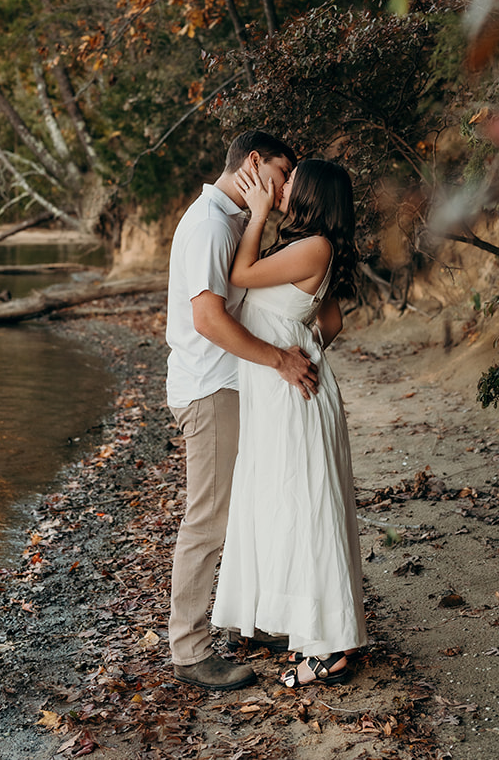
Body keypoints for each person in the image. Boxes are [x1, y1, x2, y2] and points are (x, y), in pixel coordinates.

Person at [165, 131, 319, 691]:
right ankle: (188, 649)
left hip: (232, 385)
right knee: (207, 518)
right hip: (209, 390)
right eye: (282, 173)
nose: (284, 190)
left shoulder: (233, 219)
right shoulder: (209, 223)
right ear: (254, 163)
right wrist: (280, 359)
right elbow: (207, 317)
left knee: (248, 507)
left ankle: (249, 620)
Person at [211, 158, 367, 688]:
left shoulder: (316, 245)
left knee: (306, 513)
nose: (283, 183)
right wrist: (298, 340)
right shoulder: (311, 248)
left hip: (291, 397)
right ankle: (323, 635)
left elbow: (239, 276)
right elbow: (331, 319)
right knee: (297, 509)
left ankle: (327, 650)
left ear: (313, 194)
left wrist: (255, 214)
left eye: (294, 178)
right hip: (285, 393)